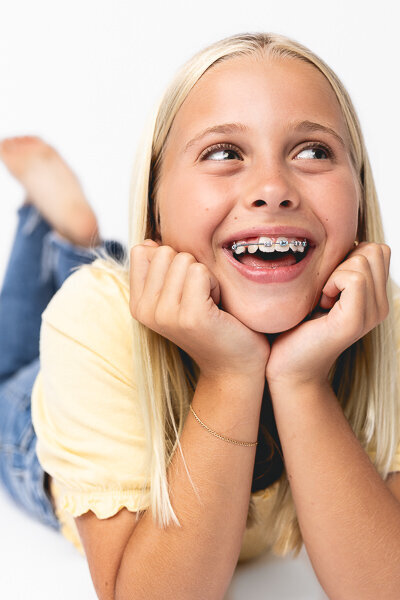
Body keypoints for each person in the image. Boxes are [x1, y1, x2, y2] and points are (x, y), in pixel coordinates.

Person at [1, 31, 400, 599]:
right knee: (9, 368)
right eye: (225, 153)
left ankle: (81, 241)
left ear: (361, 200)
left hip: (192, 275)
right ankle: (61, 234)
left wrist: (302, 381)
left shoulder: (380, 316)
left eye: (313, 151)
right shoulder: (92, 321)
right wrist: (230, 375)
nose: (272, 189)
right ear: (156, 204)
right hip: (29, 426)